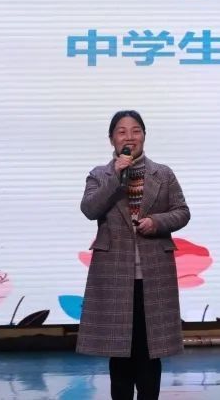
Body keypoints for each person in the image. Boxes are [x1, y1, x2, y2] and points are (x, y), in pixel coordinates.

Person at [77, 110, 190, 400]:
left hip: (155, 273)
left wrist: (157, 222)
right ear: (111, 139)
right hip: (114, 273)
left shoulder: (163, 174)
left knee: (150, 350)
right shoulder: (99, 175)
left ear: (144, 136)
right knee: (120, 350)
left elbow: (182, 212)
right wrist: (115, 176)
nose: (129, 137)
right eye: (122, 131)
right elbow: (90, 209)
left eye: (136, 130)